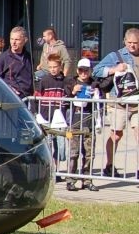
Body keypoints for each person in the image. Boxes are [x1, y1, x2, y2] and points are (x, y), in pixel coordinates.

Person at [94, 28, 139, 177]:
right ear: (124, 41)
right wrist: (114, 69)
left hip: (137, 103)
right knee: (116, 134)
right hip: (119, 102)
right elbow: (96, 70)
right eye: (130, 43)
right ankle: (109, 165)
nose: (132, 46)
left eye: (136, 43)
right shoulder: (116, 55)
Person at [65, 58, 108, 191]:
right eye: (81, 70)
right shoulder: (70, 82)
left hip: (89, 122)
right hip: (74, 122)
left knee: (89, 153)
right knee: (74, 153)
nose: (83, 73)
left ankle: (87, 180)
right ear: (77, 70)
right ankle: (70, 180)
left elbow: (100, 101)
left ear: (90, 71)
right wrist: (73, 92)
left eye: (86, 70)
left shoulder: (95, 84)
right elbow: (64, 101)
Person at [35, 54, 68, 178]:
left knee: (60, 146)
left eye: (55, 66)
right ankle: (48, 171)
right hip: (45, 116)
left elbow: (69, 96)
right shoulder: (44, 80)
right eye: (50, 67)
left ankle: (57, 170)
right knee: (47, 146)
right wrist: (36, 112)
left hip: (59, 118)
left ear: (60, 66)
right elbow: (36, 96)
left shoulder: (65, 81)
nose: (53, 69)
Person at [0, 26, 33, 99]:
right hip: (11, 99)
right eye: (12, 39)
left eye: (17, 39)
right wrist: (8, 88)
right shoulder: (3, 58)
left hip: (27, 98)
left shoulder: (28, 57)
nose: (13, 42)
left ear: (25, 40)